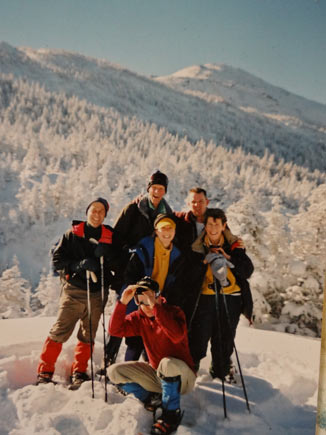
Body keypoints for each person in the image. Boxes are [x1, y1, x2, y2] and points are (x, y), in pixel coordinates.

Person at [36, 198, 119, 389]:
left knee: (88, 333)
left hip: (97, 294)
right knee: (60, 330)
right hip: (73, 290)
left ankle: (79, 371)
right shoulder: (72, 235)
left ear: (105, 215)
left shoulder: (109, 237)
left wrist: (108, 257)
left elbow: (118, 261)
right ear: (87, 211)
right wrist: (78, 265)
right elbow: (57, 260)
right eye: (94, 210)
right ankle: (45, 371)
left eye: (101, 211)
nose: (97, 214)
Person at [107, 277, 196, 435]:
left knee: (167, 363)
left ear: (158, 297)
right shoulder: (139, 318)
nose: (145, 305)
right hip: (158, 376)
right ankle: (151, 399)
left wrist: (156, 308)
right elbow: (115, 330)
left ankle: (170, 415)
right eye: (140, 300)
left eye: (148, 299)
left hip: (183, 378)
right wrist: (122, 303)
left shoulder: (174, 312)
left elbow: (175, 336)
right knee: (113, 371)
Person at [102, 170, 172, 366]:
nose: (157, 191)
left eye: (161, 188)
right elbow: (115, 240)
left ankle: (144, 362)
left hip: (151, 274)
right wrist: (119, 270)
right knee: (121, 315)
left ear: (165, 191)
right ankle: (108, 361)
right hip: (129, 273)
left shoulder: (167, 213)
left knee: (147, 318)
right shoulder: (133, 209)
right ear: (148, 188)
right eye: (154, 187)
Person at [184, 208, 254, 380]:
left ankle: (220, 371)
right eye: (209, 224)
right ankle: (192, 368)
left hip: (231, 298)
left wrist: (229, 258)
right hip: (205, 297)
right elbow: (188, 275)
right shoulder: (197, 246)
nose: (213, 228)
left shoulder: (234, 245)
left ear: (224, 226)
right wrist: (204, 261)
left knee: (224, 338)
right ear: (205, 226)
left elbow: (247, 270)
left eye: (217, 224)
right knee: (198, 337)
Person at [121, 213, 186, 361]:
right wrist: (141, 293)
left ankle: (151, 373)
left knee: (156, 339)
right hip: (140, 300)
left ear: (174, 231)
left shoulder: (177, 255)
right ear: (156, 231)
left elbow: (176, 283)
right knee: (135, 340)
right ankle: (127, 373)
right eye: (163, 228)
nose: (167, 232)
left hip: (159, 302)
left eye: (170, 228)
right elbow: (130, 274)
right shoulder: (142, 248)